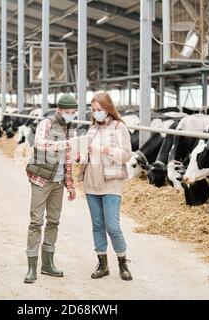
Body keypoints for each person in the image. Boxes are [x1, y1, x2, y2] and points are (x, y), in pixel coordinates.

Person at [77, 92, 133, 281]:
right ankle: (102, 264)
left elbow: (126, 155)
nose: (96, 114)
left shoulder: (120, 127)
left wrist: (105, 150)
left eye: (99, 110)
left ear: (108, 108)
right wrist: (80, 156)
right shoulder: (92, 130)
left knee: (112, 226)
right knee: (98, 226)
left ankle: (123, 264)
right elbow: (87, 155)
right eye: (93, 110)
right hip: (91, 183)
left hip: (111, 182)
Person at [24, 94, 77, 284]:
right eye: (68, 112)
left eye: (73, 112)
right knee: (36, 222)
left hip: (59, 182)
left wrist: (70, 185)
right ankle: (31, 268)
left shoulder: (71, 129)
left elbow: (69, 160)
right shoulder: (46, 123)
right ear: (59, 110)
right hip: (41, 179)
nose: (71, 115)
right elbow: (39, 144)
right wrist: (65, 144)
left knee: (54, 221)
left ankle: (47, 264)